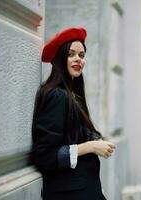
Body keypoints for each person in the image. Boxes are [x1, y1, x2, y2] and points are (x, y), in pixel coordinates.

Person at [31, 27, 115, 200]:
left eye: (82, 55)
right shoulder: (56, 95)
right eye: (71, 54)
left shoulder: (71, 94)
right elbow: (45, 156)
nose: (78, 59)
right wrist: (91, 146)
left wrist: (94, 140)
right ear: (60, 58)